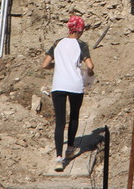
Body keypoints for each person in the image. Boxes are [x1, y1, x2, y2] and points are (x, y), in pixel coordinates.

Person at [42, 15, 95, 171]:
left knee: (60, 122)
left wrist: (57, 66)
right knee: (74, 116)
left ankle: (59, 158)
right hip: (75, 85)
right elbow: (90, 65)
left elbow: (45, 65)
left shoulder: (57, 43)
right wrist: (89, 73)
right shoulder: (81, 45)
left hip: (58, 85)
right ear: (80, 30)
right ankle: (70, 148)